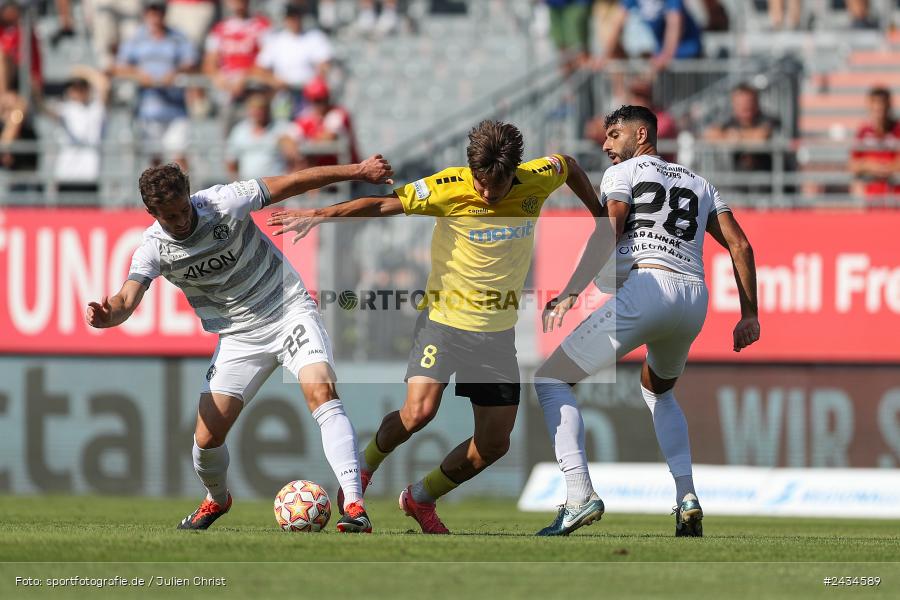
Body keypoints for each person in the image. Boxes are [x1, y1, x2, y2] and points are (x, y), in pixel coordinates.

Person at [267, 120, 602, 534]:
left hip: (497, 334)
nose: (485, 192)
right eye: (480, 183)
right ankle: (362, 472)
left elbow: (568, 164)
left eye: (494, 186)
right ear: (472, 171)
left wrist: (599, 212)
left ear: (514, 171)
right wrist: (319, 213)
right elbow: (382, 204)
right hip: (443, 323)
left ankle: (420, 498)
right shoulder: (447, 186)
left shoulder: (537, 178)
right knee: (418, 412)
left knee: (494, 445)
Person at [84, 155, 395, 533]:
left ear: (189, 195)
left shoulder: (224, 201)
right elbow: (126, 300)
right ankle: (217, 500)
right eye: (170, 216)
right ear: (153, 212)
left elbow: (294, 181)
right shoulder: (152, 249)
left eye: (183, 209)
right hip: (238, 336)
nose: (181, 221)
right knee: (206, 440)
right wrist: (107, 317)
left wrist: (358, 171)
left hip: (288, 308)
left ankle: (355, 505)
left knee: (323, 392)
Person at [532, 105, 759, 537]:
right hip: (693, 298)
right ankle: (687, 498)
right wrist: (750, 314)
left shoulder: (625, 173)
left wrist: (571, 291)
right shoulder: (700, 183)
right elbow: (741, 246)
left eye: (613, 134)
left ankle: (579, 494)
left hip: (648, 288)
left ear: (641, 136)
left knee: (551, 380)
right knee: (658, 390)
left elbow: (611, 227)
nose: (605, 145)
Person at [114, 1, 197, 170]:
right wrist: (139, 74)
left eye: (158, 12)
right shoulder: (136, 38)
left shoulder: (177, 37)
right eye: (151, 12)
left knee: (179, 156)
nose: (155, 16)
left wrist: (174, 72)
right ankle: (156, 196)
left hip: (176, 108)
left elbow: (192, 62)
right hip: (148, 110)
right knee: (154, 161)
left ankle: (185, 195)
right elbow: (119, 67)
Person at [254, 4, 333, 119]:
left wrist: (316, 81)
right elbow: (259, 69)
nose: (293, 21)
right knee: (283, 121)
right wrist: (274, 81)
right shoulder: (276, 41)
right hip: (284, 92)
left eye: (296, 17)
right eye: (290, 18)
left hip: (309, 93)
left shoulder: (314, 37)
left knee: (309, 121)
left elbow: (325, 64)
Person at [47, 66, 110, 193]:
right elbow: (45, 110)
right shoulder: (64, 109)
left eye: (81, 87)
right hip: (66, 175)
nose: (77, 91)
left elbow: (104, 85)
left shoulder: (96, 109)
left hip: (90, 175)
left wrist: (82, 71)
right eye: (74, 88)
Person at [203, 0, 271, 112]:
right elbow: (209, 63)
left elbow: (267, 61)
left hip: (254, 91)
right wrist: (218, 77)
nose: (237, 3)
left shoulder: (262, 26)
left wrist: (245, 76)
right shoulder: (220, 29)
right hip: (227, 93)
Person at [600, 0, 703, 71]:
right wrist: (604, 57)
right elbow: (617, 22)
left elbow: (675, 21)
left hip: (686, 53)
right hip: (661, 55)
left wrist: (666, 56)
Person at [704, 83, 780, 174]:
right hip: (738, 180)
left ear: (756, 102)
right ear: (733, 104)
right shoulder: (729, 122)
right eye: (740, 103)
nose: (745, 107)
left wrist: (733, 136)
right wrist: (744, 137)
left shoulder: (768, 119)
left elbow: (760, 137)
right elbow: (710, 134)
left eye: (748, 102)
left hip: (768, 179)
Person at [225, 90, 300, 181]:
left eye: (261, 109)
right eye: (254, 109)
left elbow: (294, 155)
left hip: (275, 186)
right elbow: (231, 161)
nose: (258, 113)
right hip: (248, 187)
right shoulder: (240, 130)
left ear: (268, 110)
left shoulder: (281, 128)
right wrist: (235, 183)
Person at [849, 86, 900, 203]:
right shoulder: (863, 132)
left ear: (888, 106)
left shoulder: (897, 130)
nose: (879, 112)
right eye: (875, 108)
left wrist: (888, 168)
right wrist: (870, 165)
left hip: (895, 198)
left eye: (882, 107)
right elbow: (853, 165)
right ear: (869, 106)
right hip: (873, 199)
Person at [294, 77, 359, 166]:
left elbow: (329, 136)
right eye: (316, 100)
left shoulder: (338, 113)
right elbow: (290, 139)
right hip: (319, 173)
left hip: (344, 171)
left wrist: (307, 143)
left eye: (323, 99)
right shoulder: (304, 118)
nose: (321, 104)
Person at [545, 0, 592, 73]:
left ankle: (585, 81)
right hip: (554, 5)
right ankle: (571, 82)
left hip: (575, 4)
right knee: (563, 56)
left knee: (579, 53)